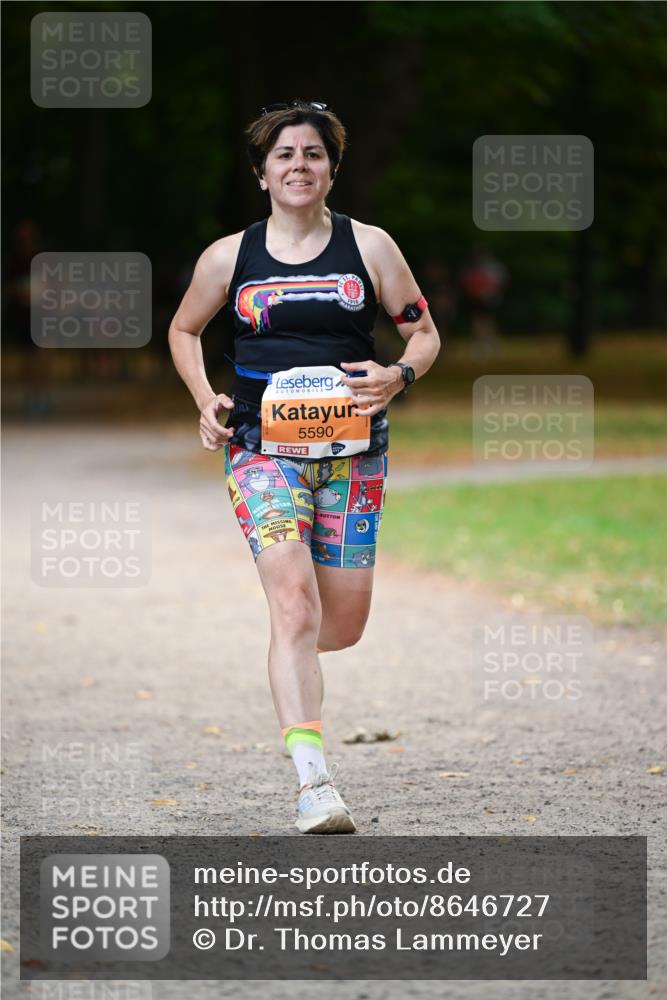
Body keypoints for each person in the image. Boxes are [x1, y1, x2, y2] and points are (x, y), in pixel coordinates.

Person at [168, 100, 441, 834]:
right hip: (261, 451)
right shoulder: (228, 258)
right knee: (294, 604)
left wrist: (398, 376)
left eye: (312, 154)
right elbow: (184, 329)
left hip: (354, 457)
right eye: (283, 155)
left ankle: (293, 648)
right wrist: (204, 397)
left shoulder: (371, 248)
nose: (298, 165)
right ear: (262, 173)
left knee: (338, 625)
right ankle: (314, 782)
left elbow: (423, 334)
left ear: (332, 169)